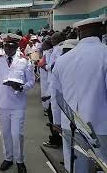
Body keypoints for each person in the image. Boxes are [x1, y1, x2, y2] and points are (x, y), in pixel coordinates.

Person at [51, 17, 107, 172]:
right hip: (100, 127)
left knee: (76, 167)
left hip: (70, 125)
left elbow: (56, 96)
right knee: (101, 167)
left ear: (78, 33)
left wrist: (56, 121)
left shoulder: (63, 60)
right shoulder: (104, 55)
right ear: (101, 30)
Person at [0, 33, 35, 173]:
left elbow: (31, 81)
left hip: (18, 104)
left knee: (17, 134)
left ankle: (20, 160)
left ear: (17, 46)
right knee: (6, 133)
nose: (8, 48)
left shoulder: (25, 61)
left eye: (11, 46)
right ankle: (8, 158)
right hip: (1, 105)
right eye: (6, 46)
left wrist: (21, 87)